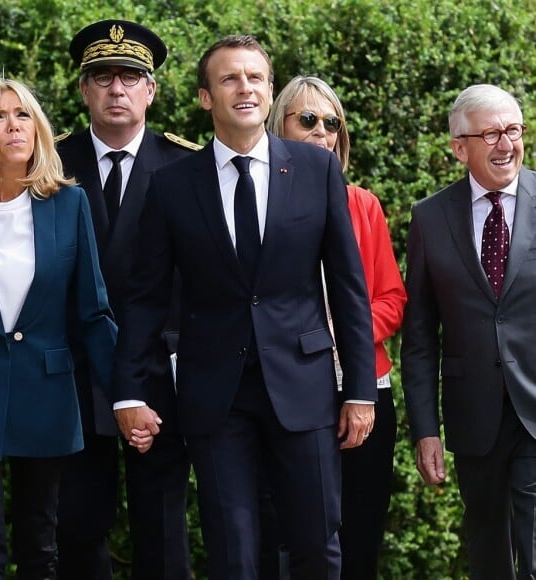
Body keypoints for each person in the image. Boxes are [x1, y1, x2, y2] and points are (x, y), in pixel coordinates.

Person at [112, 34, 377, 580]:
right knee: (233, 552)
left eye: (255, 77)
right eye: (230, 78)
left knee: (316, 543)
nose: (245, 88)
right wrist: (129, 391)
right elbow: (145, 298)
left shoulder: (316, 169)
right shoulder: (171, 185)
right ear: (207, 98)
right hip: (215, 394)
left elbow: (348, 288)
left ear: (270, 89)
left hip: (304, 386)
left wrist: (359, 390)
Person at [0, 75, 116, 579]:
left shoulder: (68, 205)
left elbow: (93, 311)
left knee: (40, 547)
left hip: (47, 393)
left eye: (23, 114)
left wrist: (129, 394)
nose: (14, 126)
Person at [56, 19, 198, 580]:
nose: (118, 89)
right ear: (85, 88)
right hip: (72, 372)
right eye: (103, 77)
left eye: (132, 76)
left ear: (152, 90)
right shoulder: (49, 166)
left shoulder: (188, 166)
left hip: (162, 373)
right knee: (76, 527)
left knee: (163, 530)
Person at [266, 75, 407, 579]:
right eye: (307, 119)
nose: (321, 130)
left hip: (362, 386)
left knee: (360, 537)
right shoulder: (251, 202)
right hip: (284, 389)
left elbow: (393, 299)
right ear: (277, 123)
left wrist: (339, 328)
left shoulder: (362, 204)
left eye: (332, 123)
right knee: (287, 537)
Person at [401, 83, 536, 579]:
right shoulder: (430, 217)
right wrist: (425, 429)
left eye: (514, 130)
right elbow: (419, 337)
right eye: (492, 133)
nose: (507, 144)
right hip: (472, 416)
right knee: (487, 551)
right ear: (460, 147)